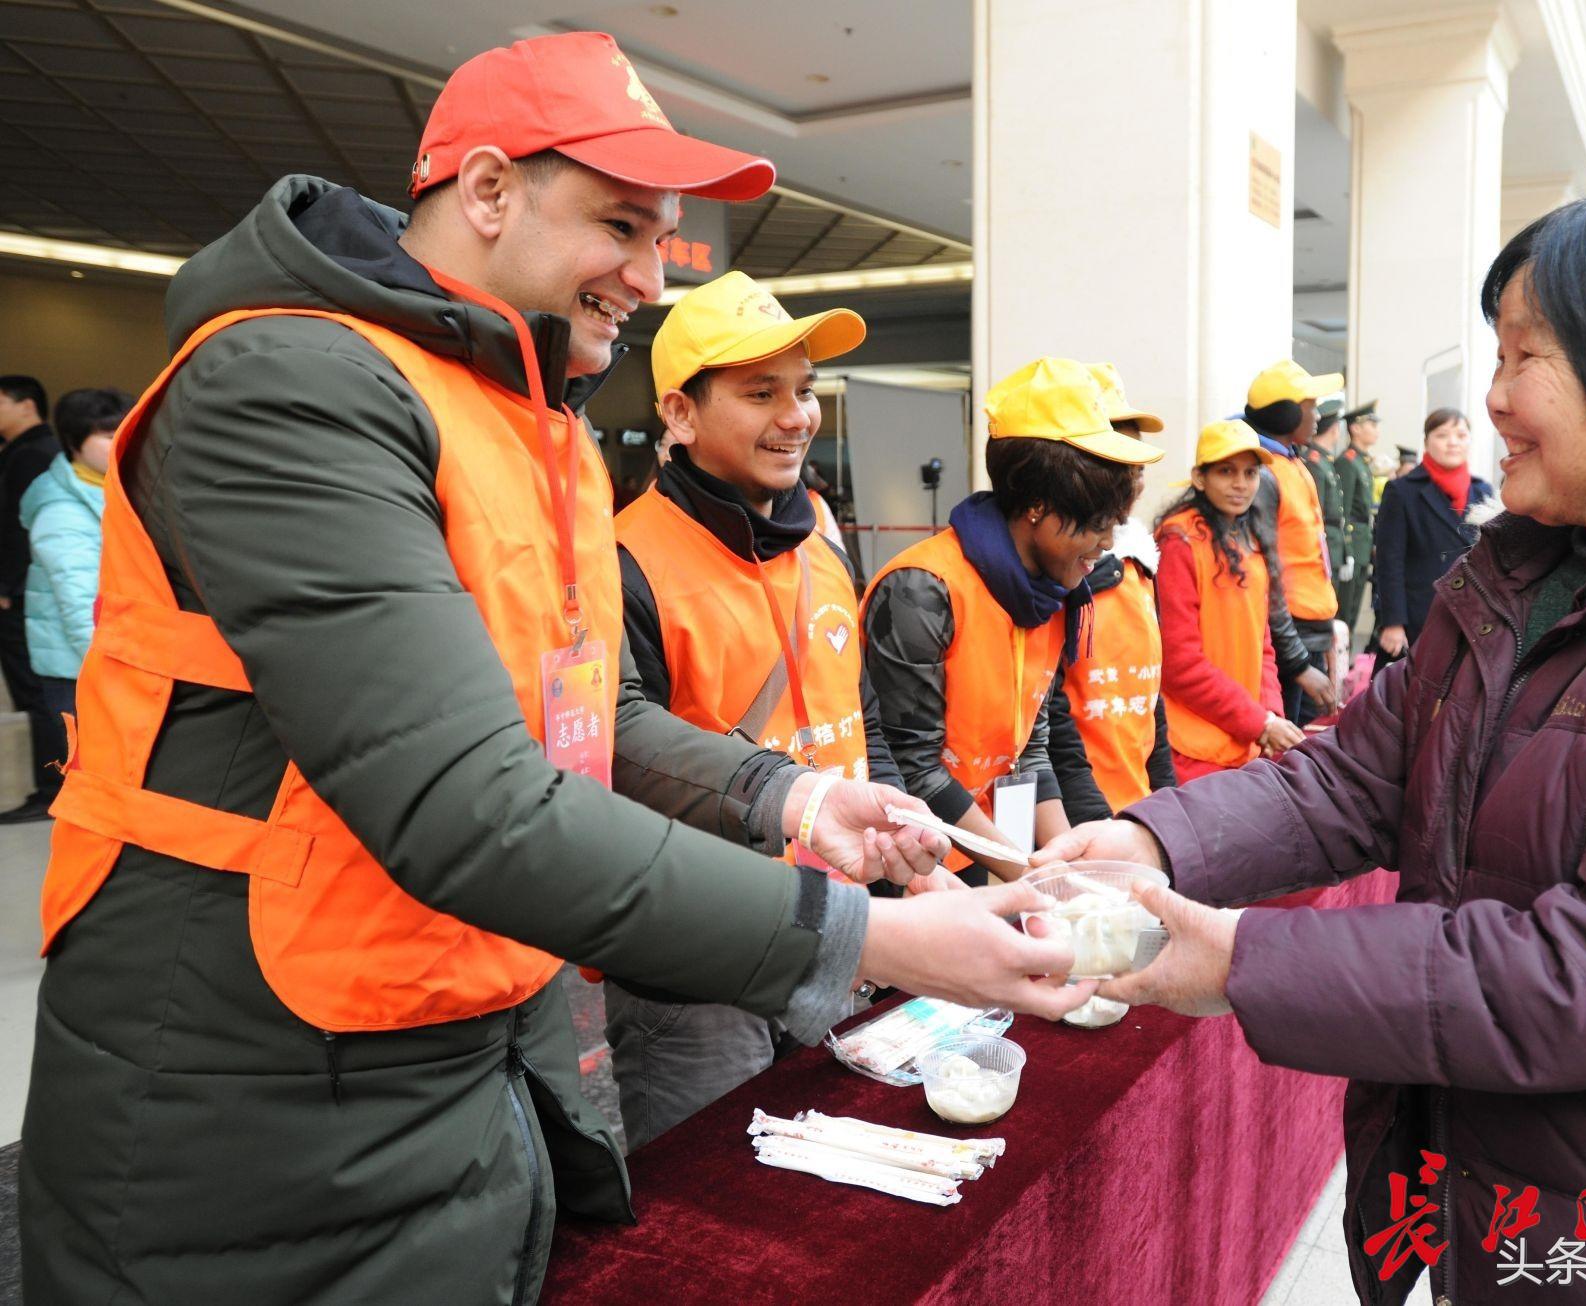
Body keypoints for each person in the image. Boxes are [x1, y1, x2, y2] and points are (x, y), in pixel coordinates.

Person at [21, 33, 1089, 1304]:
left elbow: (579, 714)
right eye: (620, 226)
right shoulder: (290, 385)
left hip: (457, 1023)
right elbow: (464, 798)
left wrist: (793, 798)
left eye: (662, 237)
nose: (648, 275)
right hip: (249, 1069)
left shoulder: (538, 421)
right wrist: (877, 936)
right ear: (485, 189)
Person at [1043, 186, 1586, 1303]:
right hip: (1523, 1185)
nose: (1494, 399)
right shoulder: (1518, 571)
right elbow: (1353, 777)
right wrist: (1150, 843)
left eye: (1526, 356)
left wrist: (1240, 961)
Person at [605, 270, 922, 1146]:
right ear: (680, 414)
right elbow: (617, 772)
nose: (797, 416)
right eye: (760, 393)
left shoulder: (820, 546)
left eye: (804, 390)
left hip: (838, 937)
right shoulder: (621, 563)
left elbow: (859, 722)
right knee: (710, 1208)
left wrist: (905, 850)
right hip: (700, 975)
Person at [864, 356, 1160, 880]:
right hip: (912, 860)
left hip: (984, 844)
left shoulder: (1053, 590)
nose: (1106, 544)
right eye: (1094, 524)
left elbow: (1032, 748)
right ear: (1036, 507)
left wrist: (1066, 864)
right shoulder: (921, 590)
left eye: (1113, 524)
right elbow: (913, 766)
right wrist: (1032, 877)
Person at [1045, 363, 1175, 822]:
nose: (1132, 480)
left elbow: (1150, 696)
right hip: (1075, 813)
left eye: (1136, 465)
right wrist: (1088, 813)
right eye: (1115, 463)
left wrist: (1166, 794)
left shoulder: (1140, 561)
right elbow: (1047, 711)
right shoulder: (1056, 571)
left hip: (1134, 803)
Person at [1154, 419, 1301, 782]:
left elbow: (1262, 646)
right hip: (1193, 749)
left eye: (1250, 473)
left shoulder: (1249, 541)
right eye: (1226, 471)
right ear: (1199, 478)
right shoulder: (1179, 541)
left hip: (1244, 741)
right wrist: (1260, 722)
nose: (1240, 484)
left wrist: (1271, 716)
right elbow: (1180, 663)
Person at [1244, 358, 1342, 726]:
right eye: (1310, 406)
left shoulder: (1292, 463)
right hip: (1288, 635)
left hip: (1309, 629)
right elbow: (1266, 572)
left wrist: (1325, 632)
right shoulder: (1264, 472)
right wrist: (1297, 660)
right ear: (1285, 413)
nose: (1317, 415)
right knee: (1288, 741)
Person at [22, 387, 127, 721]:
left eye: (125, 430)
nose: (121, 441)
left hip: (113, 655)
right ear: (73, 442)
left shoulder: (109, 486)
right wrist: (117, 673)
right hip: (82, 670)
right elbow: (80, 603)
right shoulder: (62, 509)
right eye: (108, 436)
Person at [1371, 406, 1496, 658]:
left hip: (1472, 614)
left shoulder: (1483, 491)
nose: (1453, 442)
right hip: (1420, 613)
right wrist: (1393, 622)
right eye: (1442, 435)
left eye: (1461, 435)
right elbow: (1389, 562)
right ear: (1426, 441)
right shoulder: (1402, 491)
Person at [0, 373, 63, 821]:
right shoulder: (22, 451)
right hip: (24, 591)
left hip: (23, 594)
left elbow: (23, 530)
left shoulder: (32, 455)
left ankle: (52, 789)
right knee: (36, 693)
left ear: (26, 405)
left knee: (39, 693)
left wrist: (8, 587)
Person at [1335, 400, 1381, 631]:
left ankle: (1349, 652)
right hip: (1353, 542)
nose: (1376, 430)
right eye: (1371, 424)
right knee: (1345, 610)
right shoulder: (1348, 462)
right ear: (1355, 428)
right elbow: (1342, 509)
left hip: (1363, 542)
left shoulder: (1362, 462)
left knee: (1353, 610)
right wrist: (1347, 550)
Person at [1304, 408, 1351, 617]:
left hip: (1334, 542)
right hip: (1326, 544)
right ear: (1334, 429)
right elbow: (1317, 513)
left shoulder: (1324, 461)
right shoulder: (1315, 462)